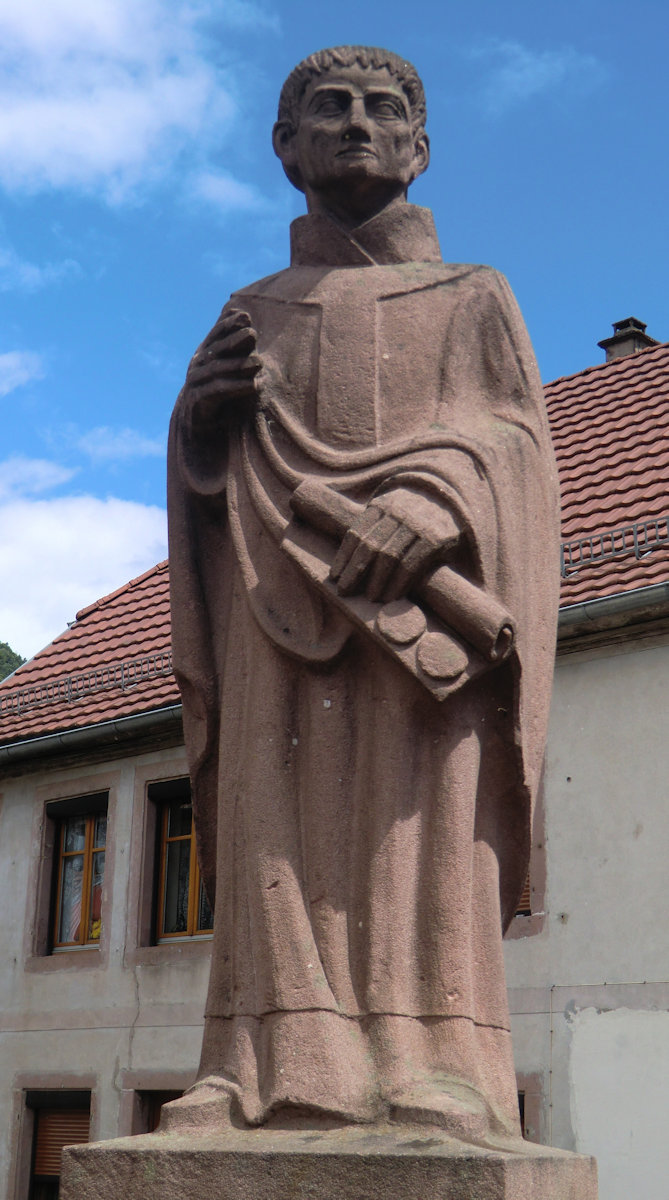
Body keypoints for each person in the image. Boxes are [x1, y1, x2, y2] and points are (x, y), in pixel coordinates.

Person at [166, 45, 559, 1141]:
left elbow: (520, 446)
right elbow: (214, 476)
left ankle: (435, 1063)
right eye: (326, 109)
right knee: (266, 818)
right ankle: (251, 1065)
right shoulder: (253, 307)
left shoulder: (473, 295)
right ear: (284, 147)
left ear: (421, 148)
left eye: (384, 109)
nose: (355, 123)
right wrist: (199, 426)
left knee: (417, 824)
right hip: (270, 601)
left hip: (422, 617)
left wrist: (440, 505)